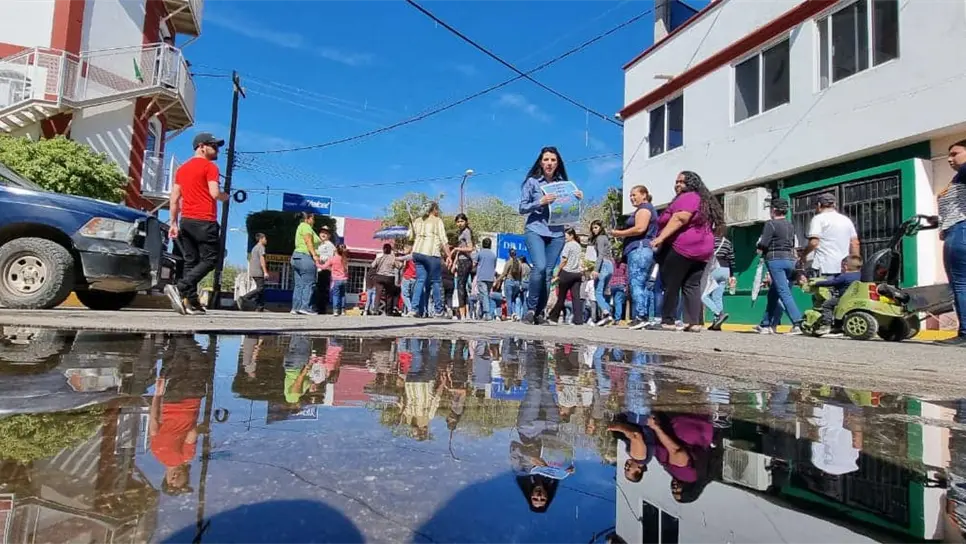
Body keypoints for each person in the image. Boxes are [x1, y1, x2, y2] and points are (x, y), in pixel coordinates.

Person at [165, 132, 228, 315]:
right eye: (214, 146)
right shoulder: (210, 167)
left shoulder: (182, 169)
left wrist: (173, 223)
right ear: (201, 147)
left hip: (186, 221)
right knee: (211, 260)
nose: (217, 150)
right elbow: (215, 193)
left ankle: (191, 302)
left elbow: (175, 198)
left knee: (190, 262)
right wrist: (226, 197)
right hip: (205, 220)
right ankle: (180, 287)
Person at [651, 172, 723, 332]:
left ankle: (668, 321)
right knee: (692, 285)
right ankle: (693, 322)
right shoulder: (704, 200)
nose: (677, 185)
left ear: (691, 183)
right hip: (702, 251)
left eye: (681, 182)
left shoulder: (689, 196)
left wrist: (660, 238)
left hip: (683, 247)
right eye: (676, 182)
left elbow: (680, 218)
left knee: (671, 283)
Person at [518, 146, 583, 325]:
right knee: (538, 268)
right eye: (546, 159)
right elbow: (522, 208)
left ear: (557, 163)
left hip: (556, 233)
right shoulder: (532, 182)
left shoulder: (563, 184)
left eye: (553, 160)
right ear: (541, 161)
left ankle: (539, 313)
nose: (549, 163)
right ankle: (530, 309)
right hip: (536, 229)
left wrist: (576, 198)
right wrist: (540, 201)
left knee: (547, 273)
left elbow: (569, 209)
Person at [610, 185, 658, 330]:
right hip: (644, 249)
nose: (631, 198)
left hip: (640, 249)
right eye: (630, 195)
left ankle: (641, 316)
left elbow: (640, 228)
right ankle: (643, 315)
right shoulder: (646, 208)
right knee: (642, 284)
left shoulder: (644, 208)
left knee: (636, 282)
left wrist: (619, 233)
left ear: (644, 195)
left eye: (634, 194)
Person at [755, 197, 804, 334]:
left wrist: (758, 248)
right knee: (773, 293)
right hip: (790, 260)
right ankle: (766, 324)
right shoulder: (790, 225)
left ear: (774, 210)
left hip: (775, 259)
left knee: (783, 292)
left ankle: (797, 322)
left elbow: (764, 243)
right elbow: (793, 244)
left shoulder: (770, 224)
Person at [939, 140, 966, 346]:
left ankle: (965, 333)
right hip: (954, 230)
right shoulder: (958, 178)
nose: (950, 158)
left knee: (960, 284)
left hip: (960, 231)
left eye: (955, 153)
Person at [409, 201, 451, 318]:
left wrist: (411, 224)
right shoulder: (437, 221)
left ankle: (414, 309)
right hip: (431, 253)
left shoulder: (417, 221)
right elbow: (443, 239)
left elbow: (410, 236)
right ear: (434, 209)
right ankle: (438, 311)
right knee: (436, 281)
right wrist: (449, 256)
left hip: (417, 252)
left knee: (420, 280)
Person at [805, 192, 860, 278]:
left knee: (824, 291)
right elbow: (855, 243)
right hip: (844, 268)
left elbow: (814, 243)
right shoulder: (846, 220)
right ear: (834, 204)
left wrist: (803, 256)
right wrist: (855, 266)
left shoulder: (818, 219)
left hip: (824, 268)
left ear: (819, 205)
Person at [812, 255, 862, 334]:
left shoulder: (844, 276)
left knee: (827, 304)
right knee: (837, 308)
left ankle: (826, 325)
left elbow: (832, 282)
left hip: (843, 299)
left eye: (841, 266)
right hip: (855, 298)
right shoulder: (861, 275)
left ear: (845, 266)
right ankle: (837, 326)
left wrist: (817, 283)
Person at [547, 228, 585, 325]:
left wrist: (557, 272)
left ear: (571, 235)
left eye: (566, 235)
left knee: (561, 297)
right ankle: (578, 319)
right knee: (576, 298)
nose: (565, 238)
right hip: (577, 274)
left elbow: (564, 260)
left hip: (567, 272)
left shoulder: (568, 245)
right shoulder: (578, 246)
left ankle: (553, 317)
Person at [702, 231, 736, 331]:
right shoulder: (727, 242)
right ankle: (716, 324)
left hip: (714, 268)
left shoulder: (711, 240)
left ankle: (719, 313)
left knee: (703, 295)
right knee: (718, 297)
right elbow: (731, 259)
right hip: (726, 270)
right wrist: (732, 275)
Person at [290, 212, 322, 315]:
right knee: (309, 283)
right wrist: (315, 256)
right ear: (307, 219)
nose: (314, 221)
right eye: (313, 219)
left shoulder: (300, 227)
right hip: (305, 257)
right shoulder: (306, 227)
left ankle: (296, 307)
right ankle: (305, 307)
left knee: (299, 285)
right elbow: (308, 241)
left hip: (296, 257)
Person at [588, 220, 615, 326]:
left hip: (603, 264)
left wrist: (595, 269)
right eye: (593, 228)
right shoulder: (606, 238)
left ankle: (607, 313)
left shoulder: (600, 238)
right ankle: (607, 314)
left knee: (597, 292)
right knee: (603, 291)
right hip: (610, 265)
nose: (594, 230)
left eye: (596, 227)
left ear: (601, 228)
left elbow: (600, 255)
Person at [450, 213, 475, 320]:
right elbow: (461, 248)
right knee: (461, 287)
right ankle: (464, 313)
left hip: (466, 262)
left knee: (461, 286)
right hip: (460, 261)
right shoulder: (461, 233)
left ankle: (464, 314)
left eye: (462, 221)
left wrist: (456, 249)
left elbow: (470, 248)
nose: (460, 224)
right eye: (458, 222)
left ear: (466, 222)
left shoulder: (466, 232)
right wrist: (455, 261)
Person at [239, 233, 268, 312]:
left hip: (253, 270)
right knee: (260, 288)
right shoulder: (261, 247)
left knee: (261, 289)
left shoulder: (254, 248)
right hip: (258, 271)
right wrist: (265, 271)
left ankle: (260, 307)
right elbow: (262, 260)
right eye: (265, 239)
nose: (266, 240)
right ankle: (244, 298)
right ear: (261, 239)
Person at [318, 244, 349, 316]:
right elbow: (346, 270)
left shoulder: (332, 258)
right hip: (344, 280)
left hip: (336, 279)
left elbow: (323, 267)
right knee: (342, 295)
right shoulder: (345, 259)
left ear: (336, 250)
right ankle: (343, 311)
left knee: (336, 295)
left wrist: (317, 263)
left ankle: (336, 310)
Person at [473, 238, 498, 320]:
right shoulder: (493, 255)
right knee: (486, 295)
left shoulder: (479, 254)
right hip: (490, 278)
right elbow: (494, 266)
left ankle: (487, 313)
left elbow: (474, 264)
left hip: (481, 277)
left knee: (484, 295)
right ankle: (483, 312)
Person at [371, 244, 399, 316]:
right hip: (390, 277)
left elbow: (373, 265)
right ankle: (388, 312)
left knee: (378, 294)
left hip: (380, 276)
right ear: (390, 250)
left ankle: (376, 310)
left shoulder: (379, 256)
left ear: (383, 249)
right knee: (389, 295)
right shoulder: (393, 257)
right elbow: (399, 266)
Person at [316, 228, 337, 314]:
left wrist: (318, 257)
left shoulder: (329, 245)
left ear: (329, 235)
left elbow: (330, 258)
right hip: (319, 269)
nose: (323, 234)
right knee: (319, 289)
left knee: (322, 289)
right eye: (322, 232)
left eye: (325, 233)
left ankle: (321, 309)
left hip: (325, 269)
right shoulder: (320, 244)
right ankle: (319, 307)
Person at [609, 257, 628, 324]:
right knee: (618, 302)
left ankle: (611, 316)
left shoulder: (612, 264)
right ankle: (617, 318)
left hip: (612, 284)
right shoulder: (624, 265)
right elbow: (626, 276)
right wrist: (626, 285)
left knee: (613, 301)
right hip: (621, 284)